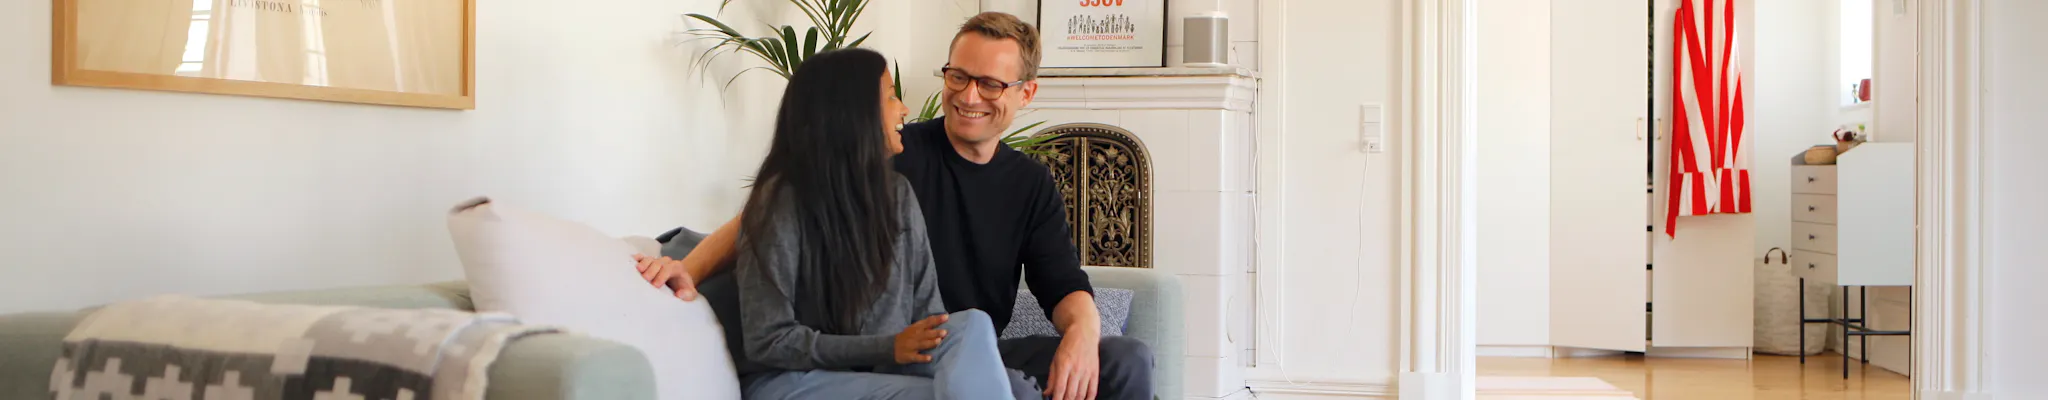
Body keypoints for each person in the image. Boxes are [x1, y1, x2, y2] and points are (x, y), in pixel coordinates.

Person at [637, 12, 1154, 400]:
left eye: (990, 83)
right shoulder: (891, 156)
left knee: (1126, 360)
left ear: (1026, 93)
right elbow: (770, 215)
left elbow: (1061, 280)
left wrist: (1085, 334)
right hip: (892, 351)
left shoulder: (1029, 182)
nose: (968, 95)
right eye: (958, 76)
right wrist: (687, 266)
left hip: (953, 346)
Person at [699, 47, 1017, 399]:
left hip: (879, 369)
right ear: (851, 112)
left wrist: (936, 358)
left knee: (973, 326)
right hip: (794, 380)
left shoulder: (898, 194)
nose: (904, 110)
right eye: (891, 96)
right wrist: (886, 348)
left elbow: (931, 319)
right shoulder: (781, 201)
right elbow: (768, 341)